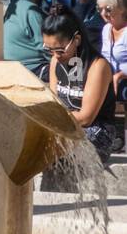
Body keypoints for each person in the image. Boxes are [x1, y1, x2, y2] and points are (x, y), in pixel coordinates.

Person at [44, 9, 118, 163]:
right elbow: (54, 104)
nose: (56, 55)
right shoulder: (55, 61)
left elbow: (86, 118)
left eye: (60, 49)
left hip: (98, 131)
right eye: (49, 50)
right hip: (65, 126)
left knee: (56, 147)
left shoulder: (98, 66)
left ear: (76, 39)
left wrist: (49, 120)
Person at [4, 0, 50, 78]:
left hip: (12, 63)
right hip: (31, 67)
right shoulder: (32, 11)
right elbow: (44, 45)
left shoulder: (14, 5)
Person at [99, 0, 127, 105]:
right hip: (108, 80)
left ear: (122, 9)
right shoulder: (106, 29)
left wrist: (119, 75)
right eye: (100, 9)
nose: (103, 14)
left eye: (108, 9)